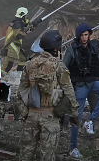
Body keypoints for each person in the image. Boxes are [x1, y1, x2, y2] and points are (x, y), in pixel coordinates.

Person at [19, 30, 79, 161]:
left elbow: (21, 91)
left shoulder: (30, 64)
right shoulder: (59, 66)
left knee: (25, 155)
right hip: (50, 118)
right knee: (47, 156)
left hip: (31, 116)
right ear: (56, 49)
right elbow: (69, 91)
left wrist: (25, 114)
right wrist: (74, 114)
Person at [64, 23, 99, 158]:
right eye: (82, 35)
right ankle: (73, 147)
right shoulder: (72, 49)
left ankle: (90, 121)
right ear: (78, 36)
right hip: (80, 85)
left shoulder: (93, 48)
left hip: (92, 82)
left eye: (86, 35)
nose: (84, 38)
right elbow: (63, 67)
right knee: (76, 117)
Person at [2, 7, 30, 73]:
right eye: (26, 16)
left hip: (16, 44)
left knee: (23, 59)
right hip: (12, 44)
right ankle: (0, 77)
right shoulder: (17, 23)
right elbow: (18, 35)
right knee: (9, 63)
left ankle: (19, 74)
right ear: (22, 15)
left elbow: (25, 25)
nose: (26, 18)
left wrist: (32, 24)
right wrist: (26, 33)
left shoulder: (18, 22)